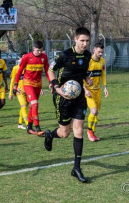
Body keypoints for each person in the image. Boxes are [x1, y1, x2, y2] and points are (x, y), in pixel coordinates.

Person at [44, 27, 93, 183]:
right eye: (82, 40)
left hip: (79, 98)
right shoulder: (64, 55)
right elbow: (50, 70)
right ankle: (49, 135)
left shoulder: (87, 55)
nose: (85, 44)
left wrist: (87, 79)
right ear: (75, 39)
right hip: (63, 98)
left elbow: (83, 71)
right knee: (64, 133)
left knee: (78, 130)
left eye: (87, 41)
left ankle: (76, 168)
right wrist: (56, 87)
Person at [13, 41, 50, 135]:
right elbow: (20, 70)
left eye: (41, 50)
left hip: (38, 84)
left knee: (32, 106)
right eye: (38, 50)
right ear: (34, 48)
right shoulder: (27, 57)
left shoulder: (44, 57)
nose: (39, 52)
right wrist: (16, 84)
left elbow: (47, 70)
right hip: (28, 83)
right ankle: (38, 128)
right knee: (35, 104)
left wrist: (51, 82)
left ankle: (29, 128)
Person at [84, 42, 109, 142]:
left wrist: (105, 87)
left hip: (97, 90)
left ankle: (92, 132)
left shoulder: (102, 61)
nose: (100, 54)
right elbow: (82, 76)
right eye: (99, 52)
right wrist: (85, 90)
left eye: (102, 52)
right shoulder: (88, 61)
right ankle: (89, 131)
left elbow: (102, 74)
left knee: (96, 113)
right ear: (94, 50)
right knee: (93, 111)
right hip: (88, 91)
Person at [9, 59, 28, 129]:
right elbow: (12, 80)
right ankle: (28, 124)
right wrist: (10, 93)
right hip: (19, 91)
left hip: (28, 91)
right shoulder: (15, 68)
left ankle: (20, 124)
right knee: (23, 106)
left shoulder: (28, 68)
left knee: (23, 107)